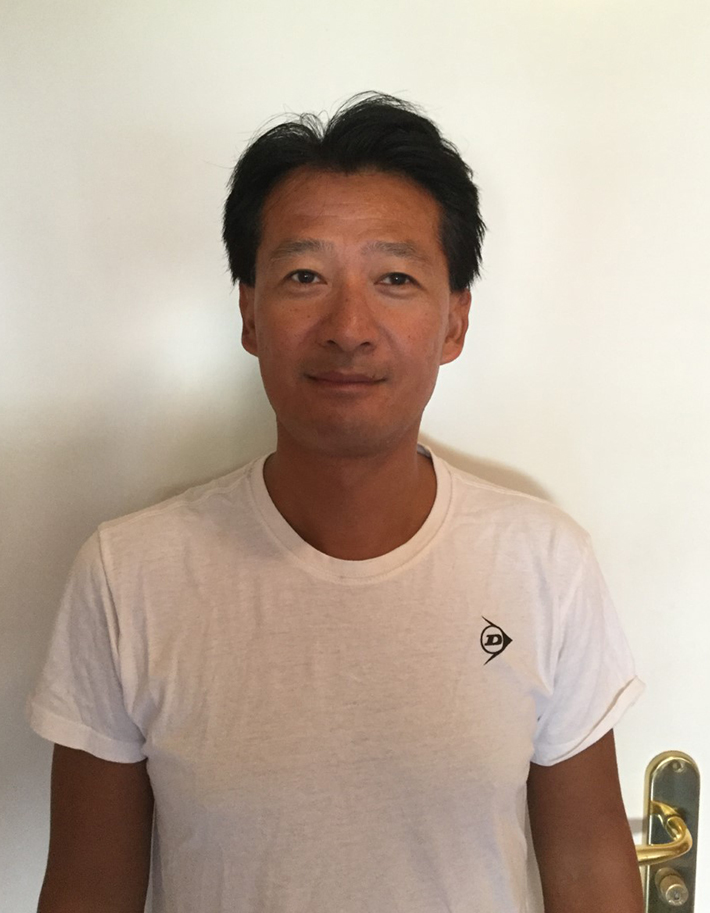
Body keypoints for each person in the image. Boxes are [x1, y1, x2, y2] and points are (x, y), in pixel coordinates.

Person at [26, 91, 645, 913]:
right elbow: (86, 889)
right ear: (249, 312)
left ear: (454, 322)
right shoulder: (128, 574)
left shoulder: (544, 562)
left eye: (395, 278)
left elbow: (591, 866)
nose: (349, 326)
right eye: (304, 276)